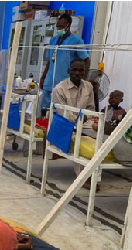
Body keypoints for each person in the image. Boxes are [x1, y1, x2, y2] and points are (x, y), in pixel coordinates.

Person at [52, 58, 96, 190]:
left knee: (100, 133)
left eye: (81, 70)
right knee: (78, 139)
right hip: (64, 123)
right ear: (68, 71)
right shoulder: (59, 89)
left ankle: (96, 169)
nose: (77, 73)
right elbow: (62, 112)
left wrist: (89, 122)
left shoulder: (88, 87)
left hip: (84, 122)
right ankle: (83, 177)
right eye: (74, 70)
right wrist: (79, 124)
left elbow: (91, 108)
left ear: (85, 72)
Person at [39, 14, 90, 112]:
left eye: (61, 27)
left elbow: (86, 59)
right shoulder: (53, 40)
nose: (59, 28)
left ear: (68, 25)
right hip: (49, 81)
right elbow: (49, 61)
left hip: (65, 82)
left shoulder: (76, 41)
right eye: (57, 26)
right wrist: (43, 77)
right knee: (45, 109)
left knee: (61, 111)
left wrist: (83, 80)